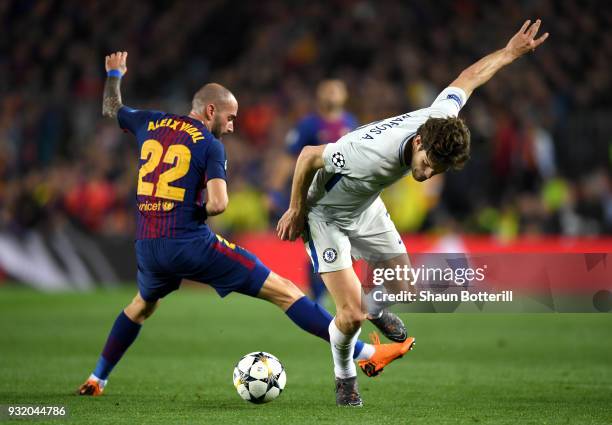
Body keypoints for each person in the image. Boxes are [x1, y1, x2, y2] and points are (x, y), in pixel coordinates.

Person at [77, 52, 414, 399]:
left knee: (141, 307)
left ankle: (97, 378)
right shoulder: (209, 144)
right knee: (284, 291)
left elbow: (111, 108)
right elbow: (219, 203)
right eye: (230, 117)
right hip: (191, 244)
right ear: (211, 111)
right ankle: (367, 355)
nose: (233, 125)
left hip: (148, 247)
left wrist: (115, 74)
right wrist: (193, 208)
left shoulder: (149, 121)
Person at [277, 20, 549, 406]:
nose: (428, 173)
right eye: (428, 162)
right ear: (419, 140)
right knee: (350, 313)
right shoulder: (363, 154)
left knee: (403, 286)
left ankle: (374, 308)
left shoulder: (439, 119)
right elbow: (307, 156)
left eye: (438, 169)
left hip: (365, 204)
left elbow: (468, 78)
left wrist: (509, 53)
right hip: (326, 214)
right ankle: (345, 377)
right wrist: (296, 209)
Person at [268, 79, 358, 303]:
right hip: (316, 197)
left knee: (346, 246)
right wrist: (274, 191)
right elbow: (288, 159)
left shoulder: (352, 123)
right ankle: (319, 297)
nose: (330, 94)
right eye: (326, 90)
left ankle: (330, 292)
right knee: (321, 243)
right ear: (319, 95)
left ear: (344, 95)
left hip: (346, 197)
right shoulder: (308, 125)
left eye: (335, 90)